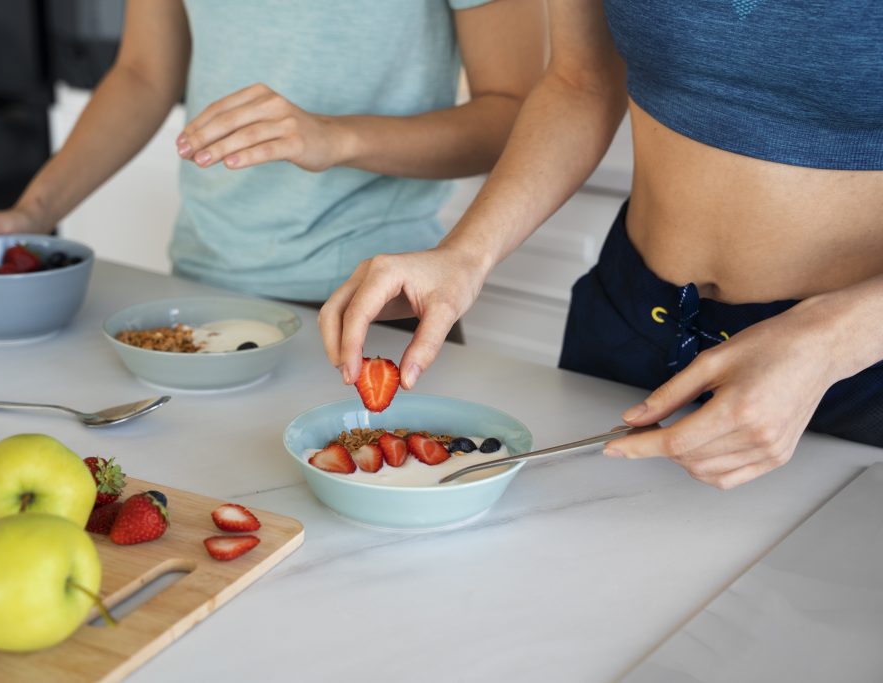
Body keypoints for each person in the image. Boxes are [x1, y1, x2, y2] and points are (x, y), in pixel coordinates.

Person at [319, 1, 883, 489]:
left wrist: (826, 345)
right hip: (629, 320)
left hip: (853, 358)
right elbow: (579, 81)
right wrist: (465, 254)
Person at [0, 0, 548, 310]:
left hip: (374, 300)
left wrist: (337, 139)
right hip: (202, 285)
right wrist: (35, 210)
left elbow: (514, 113)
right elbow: (144, 75)